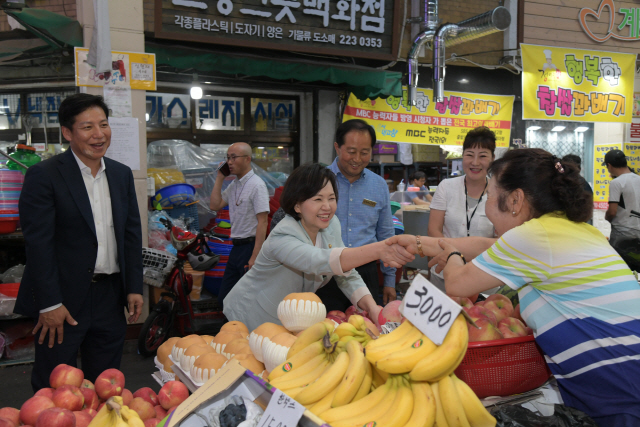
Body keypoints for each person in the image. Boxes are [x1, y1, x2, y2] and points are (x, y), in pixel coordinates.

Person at [389, 149, 640, 426]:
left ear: (515, 200)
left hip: (619, 389)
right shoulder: (572, 230)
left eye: (489, 195)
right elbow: (488, 247)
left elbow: (457, 283)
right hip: (621, 380)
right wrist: (420, 243)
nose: (486, 206)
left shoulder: (531, 236)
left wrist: (451, 257)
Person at [15, 93, 143, 391]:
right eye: (87, 127)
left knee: (106, 385)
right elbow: (39, 244)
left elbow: (130, 235)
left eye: (103, 124)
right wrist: (49, 303)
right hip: (63, 300)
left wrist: (134, 286)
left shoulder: (121, 175)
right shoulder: (44, 175)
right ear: (68, 132)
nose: (99, 134)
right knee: (56, 388)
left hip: (110, 298)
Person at [223, 163, 413, 330]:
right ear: (297, 205)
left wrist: (372, 308)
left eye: (331, 198)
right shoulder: (283, 235)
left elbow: (346, 274)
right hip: (251, 317)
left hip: (291, 319)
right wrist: (379, 250)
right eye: (317, 199)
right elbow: (318, 261)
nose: (327, 207)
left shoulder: (332, 225)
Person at [326, 119, 397, 307]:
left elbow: (386, 235)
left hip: (366, 273)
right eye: (351, 151)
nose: (357, 159)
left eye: (364, 152)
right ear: (337, 147)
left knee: (367, 329)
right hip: (325, 272)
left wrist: (389, 281)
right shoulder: (319, 180)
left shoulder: (379, 185)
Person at [426, 126, 497, 291]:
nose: (475, 162)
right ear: (463, 156)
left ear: (493, 159)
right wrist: (453, 258)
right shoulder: (446, 187)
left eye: (483, 156)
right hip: (444, 272)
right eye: (469, 155)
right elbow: (433, 230)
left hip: (483, 278)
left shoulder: (499, 192)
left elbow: (499, 241)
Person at [210, 143, 269, 308]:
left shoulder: (257, 185)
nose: (229, 162)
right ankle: (231, 331)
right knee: (225, 299)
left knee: (246, 301)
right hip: (235, 247)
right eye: (228, 157)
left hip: (250, 247)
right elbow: (215, 205)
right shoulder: (235, 184)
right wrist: (220, 178)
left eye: (233, 157)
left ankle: (243, 332)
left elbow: (263, 222)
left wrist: (255, 256)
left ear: (247, 159)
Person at [603, 149, 640, 269]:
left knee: (620, 268)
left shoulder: (617, 183)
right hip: (638, 231)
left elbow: (612, 211)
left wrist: (607, 217)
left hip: (622, 233)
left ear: (609, 165)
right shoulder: (638, 179)